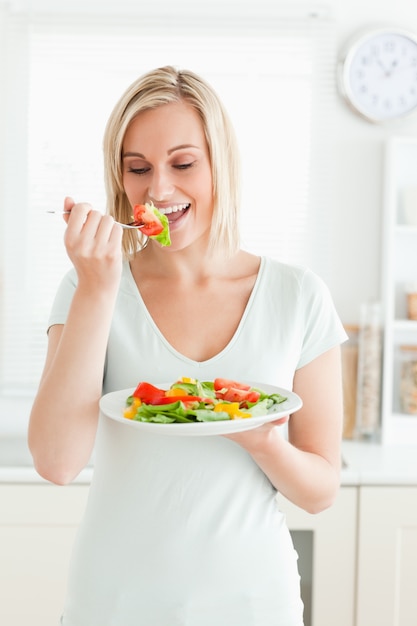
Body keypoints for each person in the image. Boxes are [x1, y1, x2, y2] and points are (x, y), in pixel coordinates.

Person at [28, 65, 347, 626]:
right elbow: (57, 463)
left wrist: (264, 443)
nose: (160, 190)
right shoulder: (89, 284)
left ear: (220, 165)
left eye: (183, 163)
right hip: (113, 605)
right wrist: (101, 288)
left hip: (253, 606)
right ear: (120, 178)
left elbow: (321, 491)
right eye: (138, 168)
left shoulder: (298, 296)